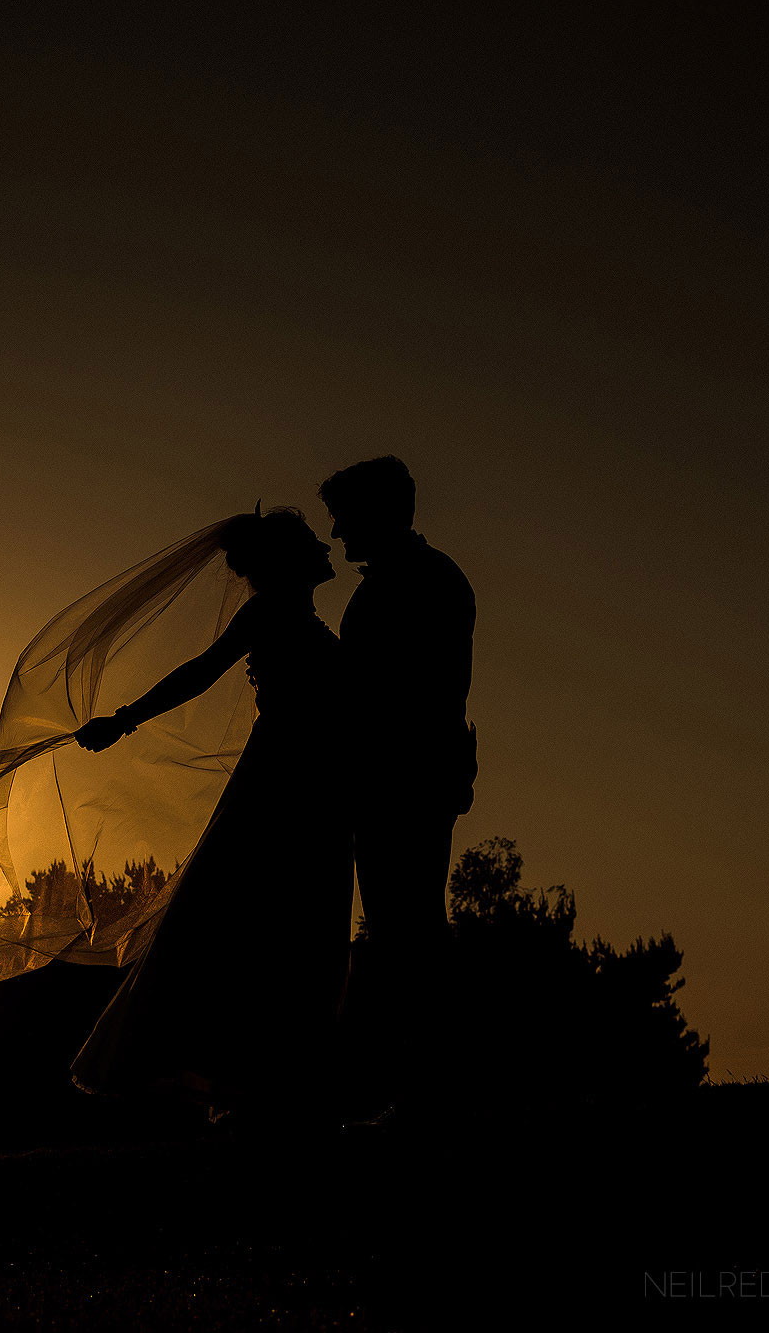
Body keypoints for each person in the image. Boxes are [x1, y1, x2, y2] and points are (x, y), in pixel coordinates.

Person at [67, 508, 350, 1134]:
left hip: (316, 776)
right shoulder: (270, 613)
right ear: (287, 560)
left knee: (290, 922)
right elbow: (198, 672)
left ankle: (274, 1079)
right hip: (284, 776)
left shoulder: (302, 619)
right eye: (309, 542)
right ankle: (251, 1078)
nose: (324, 546)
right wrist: (124, 719)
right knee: (255, 917)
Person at [319, 456, 476, 1124]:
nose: (335, 532)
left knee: (406, 924)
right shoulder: (410, 580)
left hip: (404, 776)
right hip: (397, 775)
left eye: (345, 517)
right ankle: (415, 1083)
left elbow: (419, 691)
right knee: (398, 922)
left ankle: (427, 1083)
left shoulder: (424, 583)